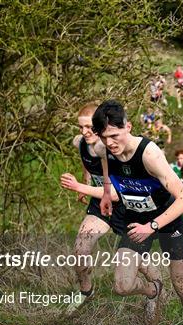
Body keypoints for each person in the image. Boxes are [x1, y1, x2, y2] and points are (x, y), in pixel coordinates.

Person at [68, 100, 183, 325]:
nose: (110, 143)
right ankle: (153, 290)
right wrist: (106, 196)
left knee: (182, 286)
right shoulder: (105, 149)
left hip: (166, 219)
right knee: (122, 286)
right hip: (135, 221)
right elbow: (109, 178)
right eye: (105, 138)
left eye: (115, 136)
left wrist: (152, 226)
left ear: (128, 126)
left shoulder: (149, 154)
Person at [60, 103, 158, 314]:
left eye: (90, 128)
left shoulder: (110, 148)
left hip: (127, 207)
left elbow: (113, 193)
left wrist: (80, 187)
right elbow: (86, 163)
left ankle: (155, 290)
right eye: (81, 127)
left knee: (138, 262)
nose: (85, 132)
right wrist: (85, 179)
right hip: (100, 205)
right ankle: (86, 291)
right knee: (81, 248)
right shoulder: (81, 142)